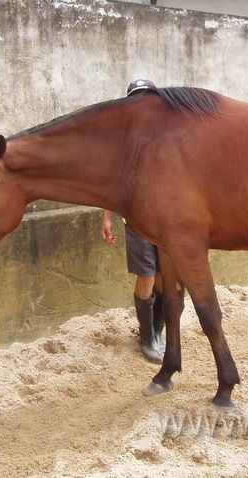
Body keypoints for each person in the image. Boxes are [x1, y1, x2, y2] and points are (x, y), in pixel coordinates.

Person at [101, 79, 165, 363]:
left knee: (167, 278)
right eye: (136, 99)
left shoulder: (165, 137)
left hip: (166, 221)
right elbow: (110, 183)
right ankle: (147, 337)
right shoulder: (121, 142)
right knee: (147, 275)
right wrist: (106, 217)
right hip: (137, 220)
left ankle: (158, 330)